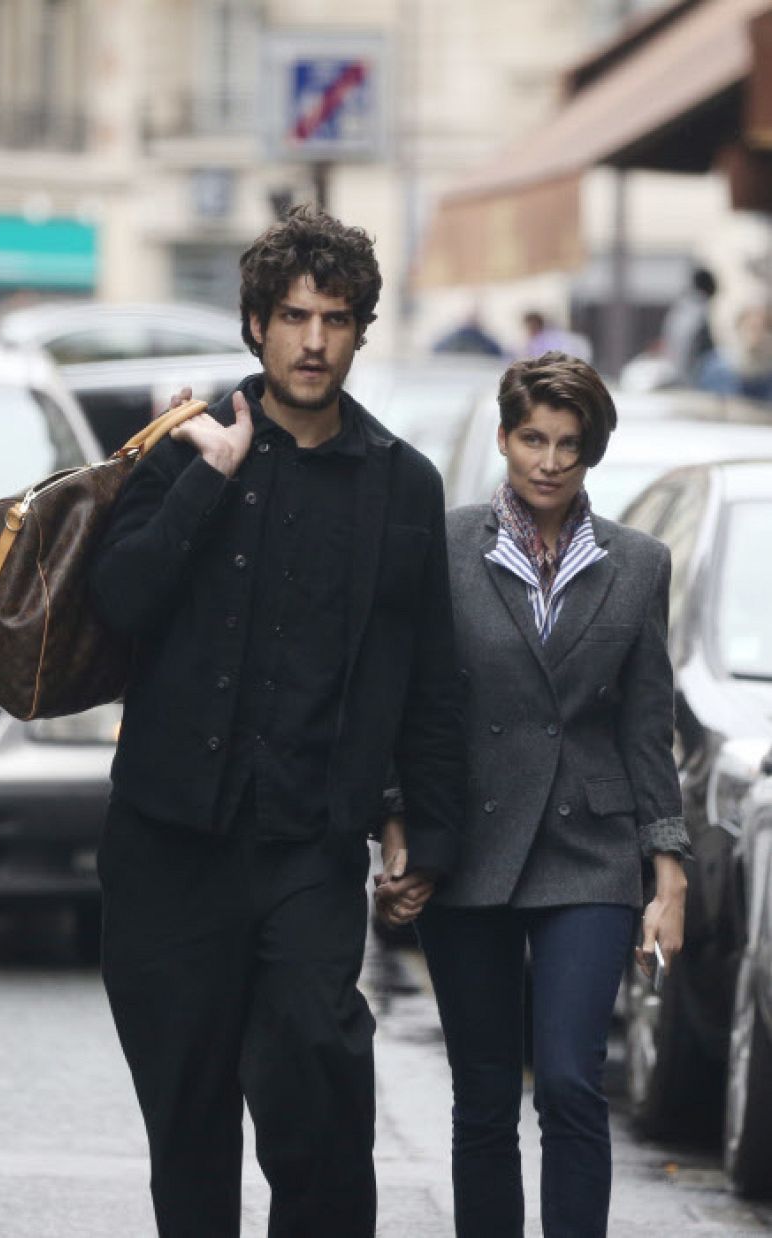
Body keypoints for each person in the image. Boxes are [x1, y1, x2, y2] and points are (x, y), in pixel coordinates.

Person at [88, 205, 465, 1238]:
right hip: (168, 839)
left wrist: (419, 829)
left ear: (359, 330)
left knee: (318, 1076)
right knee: (189, 1118)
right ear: (256, 323)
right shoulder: (186, 452)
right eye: (293, 316)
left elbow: (429, 672)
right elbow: (119, 604)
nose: (312, 340)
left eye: (335, 319)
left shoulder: (400, 486)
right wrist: (208, 478)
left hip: (306, 842)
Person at [376, 352, 690, 1238]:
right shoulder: (442, 546)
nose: (550, 461)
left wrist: (668, 874)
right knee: (482, 1096)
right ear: (507, 439)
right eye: (533, 439)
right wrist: (398, 825)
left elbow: (646, 724)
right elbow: (405, 699)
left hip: (590, 852)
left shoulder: (639, 564)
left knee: (568, 1080)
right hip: (467, 845)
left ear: (592, 452)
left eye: (570, 445)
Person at [660, 265, 717, 385]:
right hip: (691, 374)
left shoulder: (681, 308)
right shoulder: (698, 309)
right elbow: (689, 347)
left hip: (677, 370)